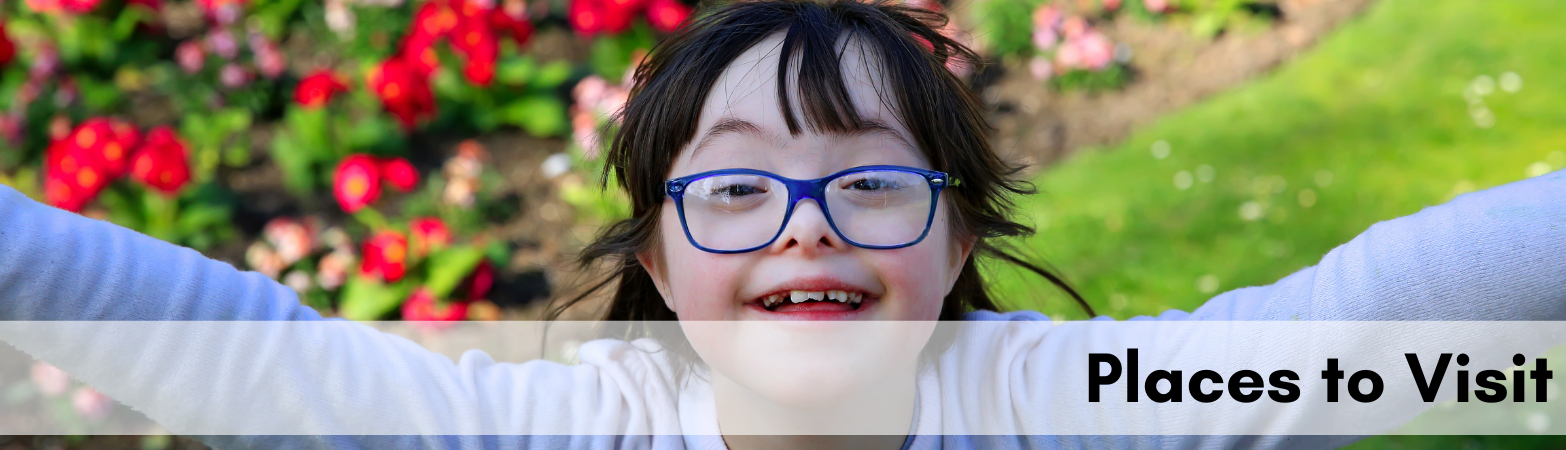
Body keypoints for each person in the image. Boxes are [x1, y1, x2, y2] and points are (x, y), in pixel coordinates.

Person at [0, 1, 1563, 449]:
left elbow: (1364, 321)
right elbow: (251, 360)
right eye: (734, 188)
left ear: (955, 241)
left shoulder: (1045, 404)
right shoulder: (585, 426)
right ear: (659, 257)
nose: (803, 226)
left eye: (870, 182)